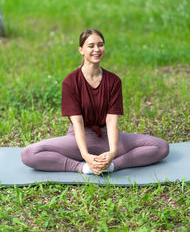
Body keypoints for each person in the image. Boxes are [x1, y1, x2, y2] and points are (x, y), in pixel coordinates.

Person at [21, 29, 169, 175]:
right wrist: (85, 156)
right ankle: (83, 168)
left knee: (161, 147)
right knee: (29, 153)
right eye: (91, 46)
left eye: (100, 45)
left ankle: (110, 167)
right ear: (81, 50)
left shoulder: (113, 81)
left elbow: (112, 120)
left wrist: (112, 153)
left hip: (107, 137)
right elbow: (77, 123)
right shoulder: (71, 81)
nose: (97, 49)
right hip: (77, 139)